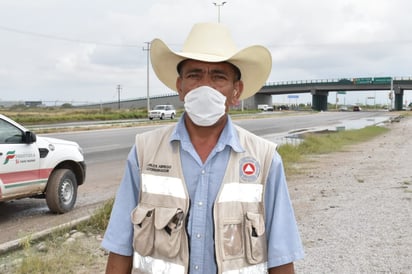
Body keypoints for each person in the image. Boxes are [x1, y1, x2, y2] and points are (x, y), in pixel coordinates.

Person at [102, 22, 304, 274]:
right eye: (194, 74)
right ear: (180, 87)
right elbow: (120, 248)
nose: (205, 86)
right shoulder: (144, 152)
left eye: (218, 77)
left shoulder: (265, 160)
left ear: (236, 91)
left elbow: (281, 258)